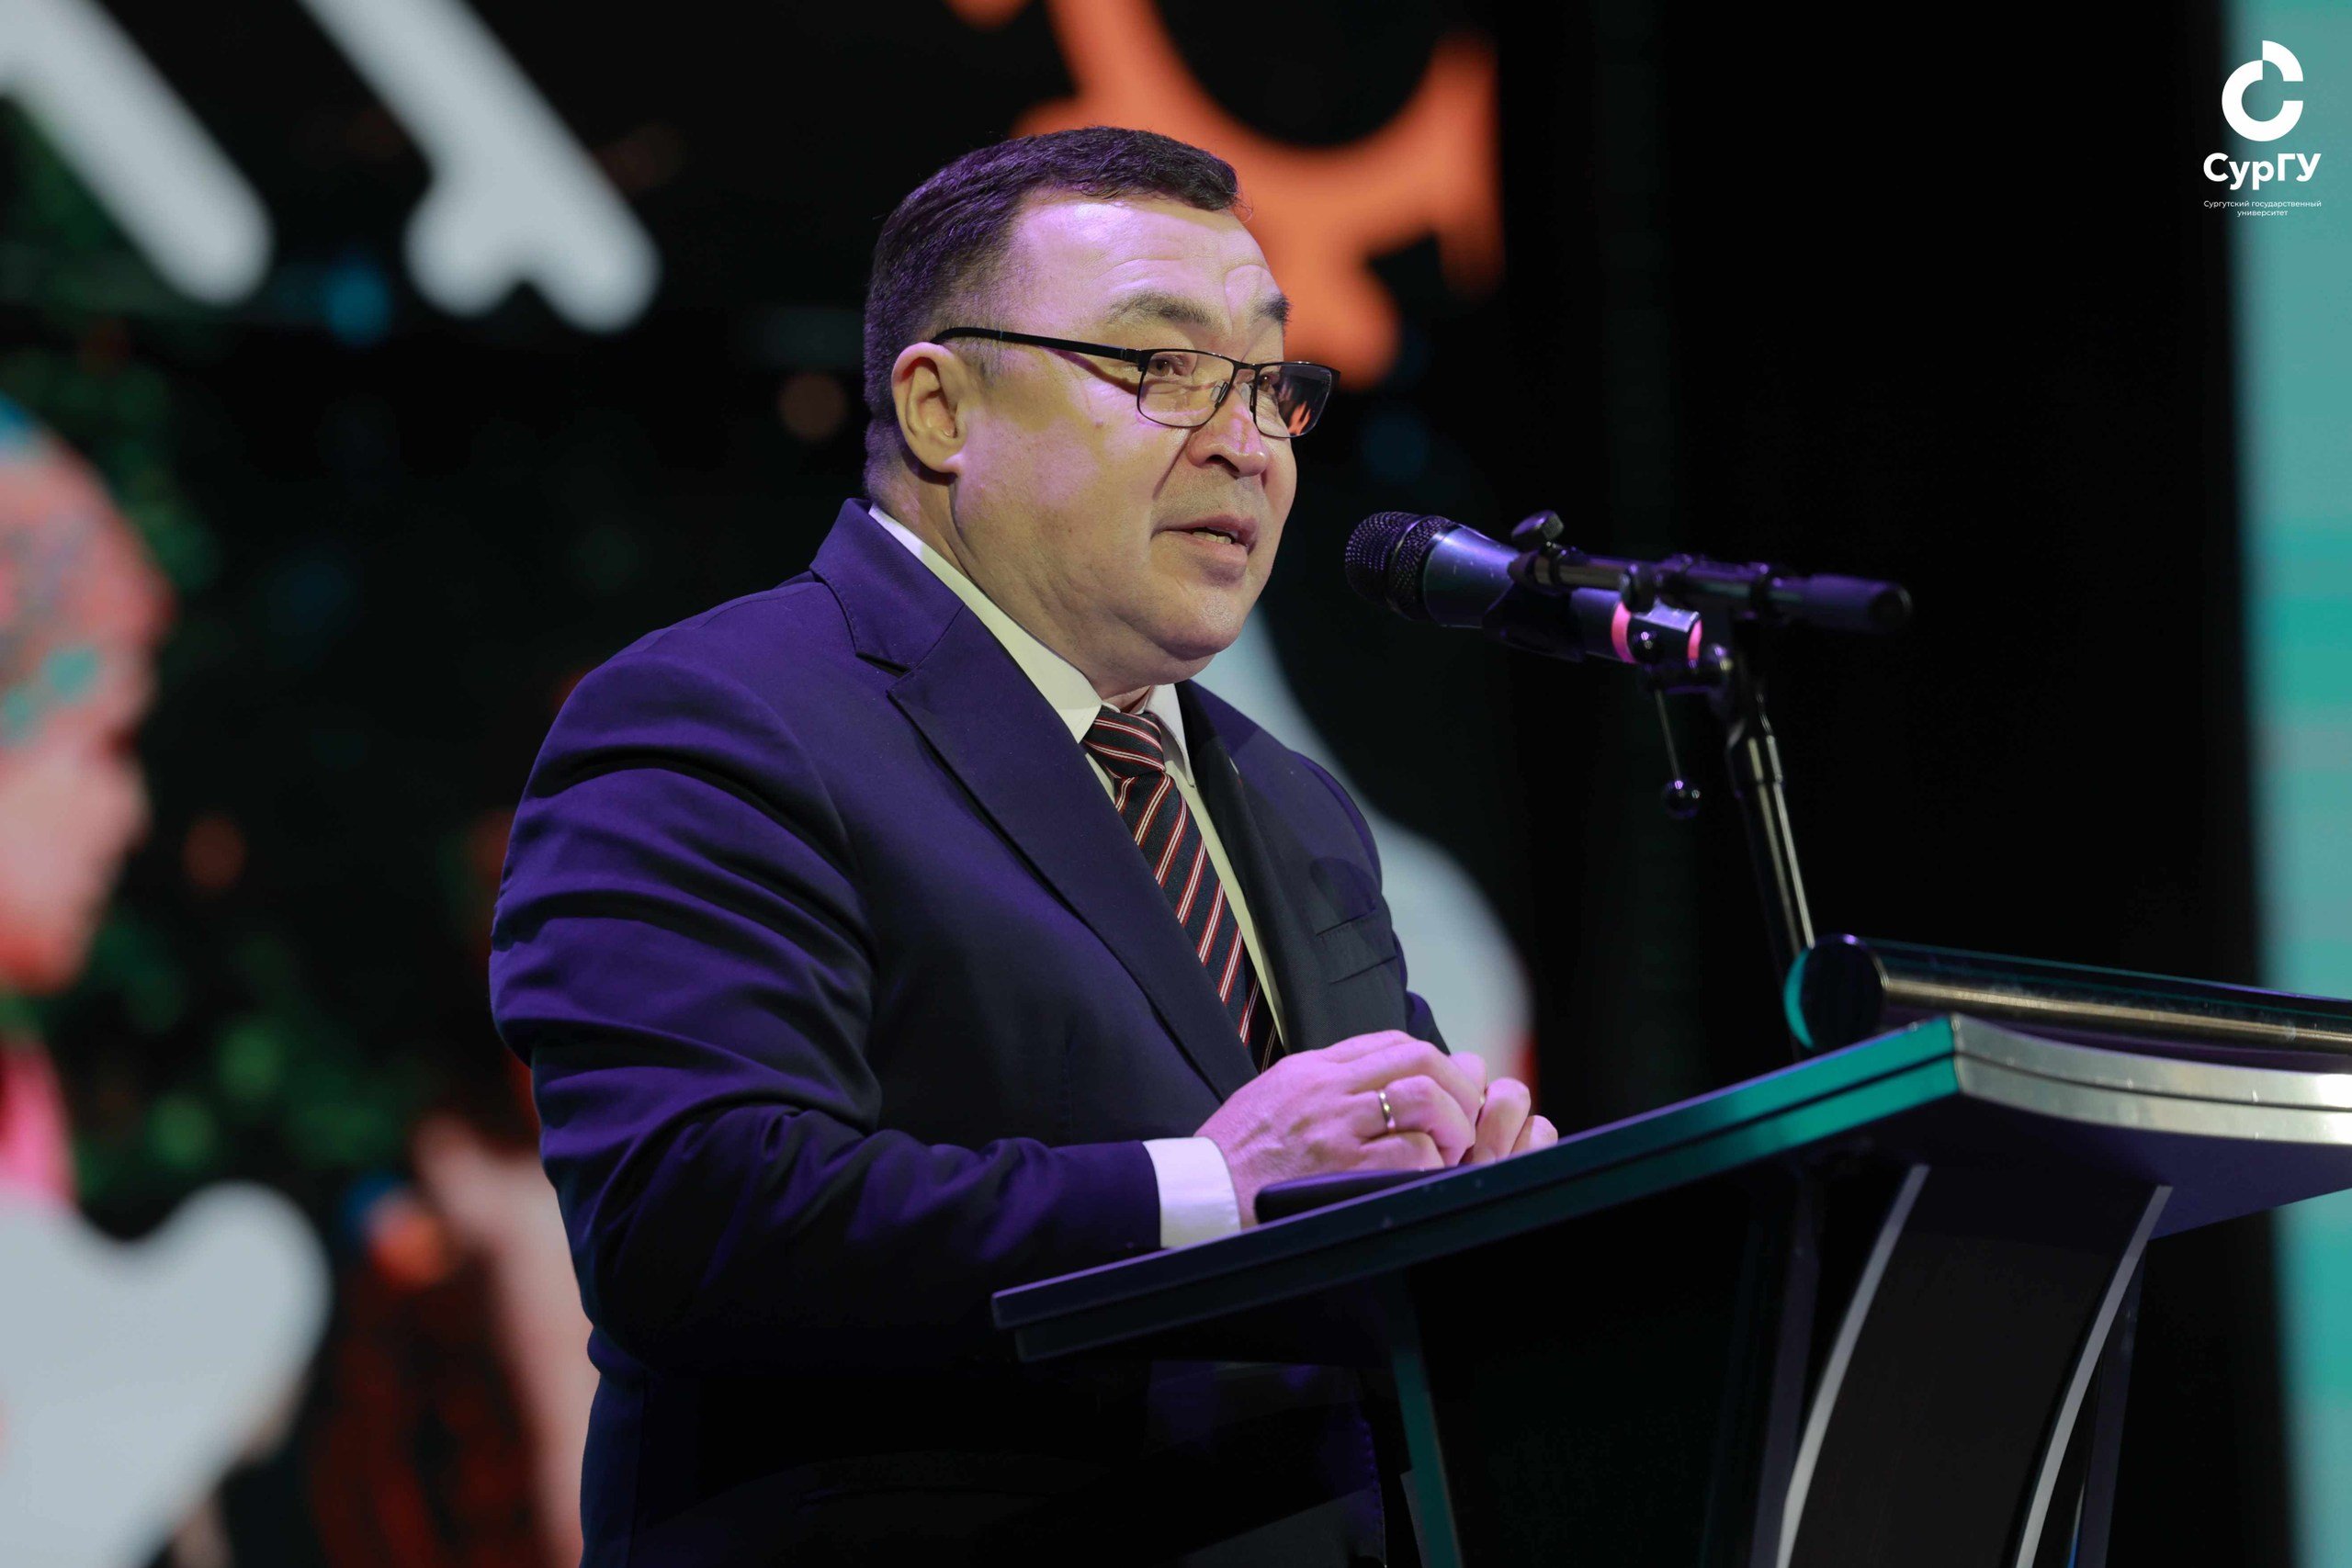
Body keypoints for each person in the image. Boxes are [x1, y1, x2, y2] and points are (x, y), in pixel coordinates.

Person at [490, 127, 1557, 1567]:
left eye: (1268, 381)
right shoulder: (719, 718)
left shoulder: (1290, 802)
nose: (1244, 441)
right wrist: (1212, 1189)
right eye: (1160, 367)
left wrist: (1475, 1196)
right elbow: (693, 1217)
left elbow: (1351, 1232)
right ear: (941, 408)